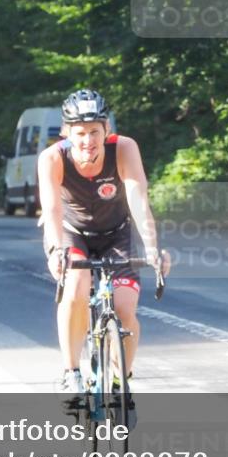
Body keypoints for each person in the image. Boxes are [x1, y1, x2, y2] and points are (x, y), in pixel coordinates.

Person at [38, 89, 169, 405]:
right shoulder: (53, 158)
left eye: (95, 131)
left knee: (125, 308)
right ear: (67, 133)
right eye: (80, 133)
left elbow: (138, 200)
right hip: (72, 234)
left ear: (106, 129)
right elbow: (53, 211)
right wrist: (57, 252)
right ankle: (71, 372)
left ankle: (118, 379)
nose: (88, 141)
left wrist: (152, 247)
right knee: (76, 288)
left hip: (116, 233)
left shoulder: (124, 149)